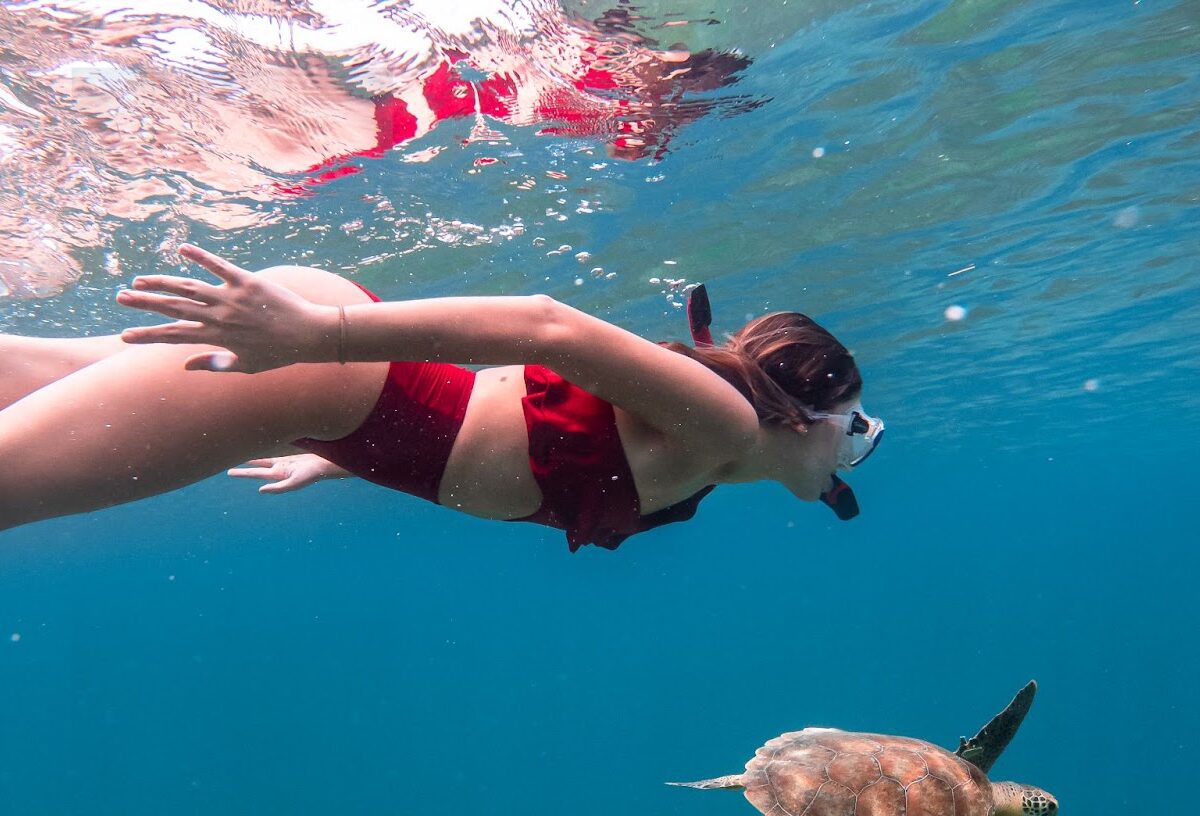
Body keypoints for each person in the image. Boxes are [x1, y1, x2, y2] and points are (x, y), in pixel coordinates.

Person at [0, 245, 880, 551]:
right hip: (309, 369)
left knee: (22, 376)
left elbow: (501, 427)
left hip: (331, 399)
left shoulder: (709, 463)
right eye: (860, 430)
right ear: (804, 418)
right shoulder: (719, 422)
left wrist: (342, 458)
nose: (857, 452)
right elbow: (542, 329)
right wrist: (314, 340)